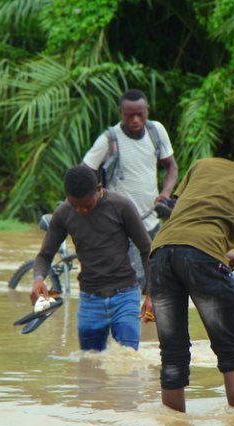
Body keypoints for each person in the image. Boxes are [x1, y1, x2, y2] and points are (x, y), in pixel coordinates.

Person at [146, 128, 234, 413]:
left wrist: (218, 252)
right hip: (203, 258)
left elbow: (185, 218)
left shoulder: (203, 165)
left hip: (160, 253)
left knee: (172, 356)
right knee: (232, 353)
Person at [31, 165, 152, 352]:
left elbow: (147, 249)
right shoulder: (63, 213)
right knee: (89, 364)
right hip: (90, 300)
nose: (81, 211)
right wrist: (38, 279)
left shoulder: (121, 207)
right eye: (75, 205)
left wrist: (152, 292)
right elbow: (44, 255)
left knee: (128, 360)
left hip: (125, 296)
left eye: (86, 205)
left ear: (99, 189)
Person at [82, 89, 179, 285]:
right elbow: (85, 170)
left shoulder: (156, 131)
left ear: (147, 111)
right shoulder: (109, 139)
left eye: (140, 114)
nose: (135, 120)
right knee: (136, 279)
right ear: (121, 113)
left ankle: (152, 315)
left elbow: (171, 166)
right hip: (121, 225)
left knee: (160, 277)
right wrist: (97, 192)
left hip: (151, 219)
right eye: (129, 115)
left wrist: (166, 193)